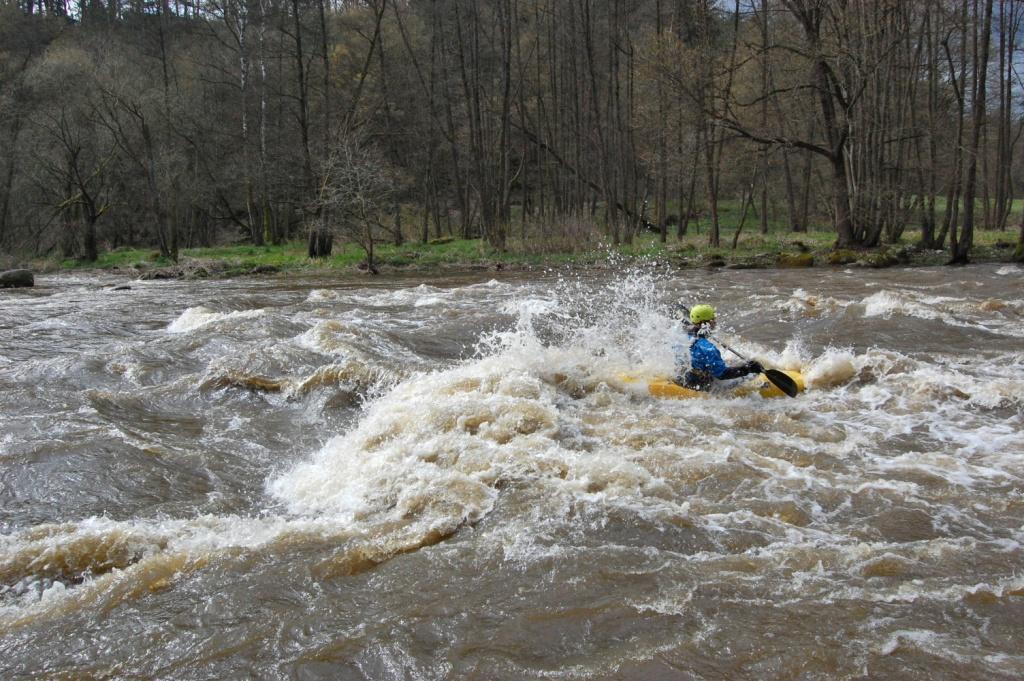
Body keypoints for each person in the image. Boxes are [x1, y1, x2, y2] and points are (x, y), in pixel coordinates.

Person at [676, 304, 764, 391]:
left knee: (729, 362)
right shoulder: (708, 348)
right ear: (706, 323)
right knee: (751, 375)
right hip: (699, 385)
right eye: (712, 320)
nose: (715, 322)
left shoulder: (679, 335)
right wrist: (748, 369)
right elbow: (722, 375)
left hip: (682, 377)